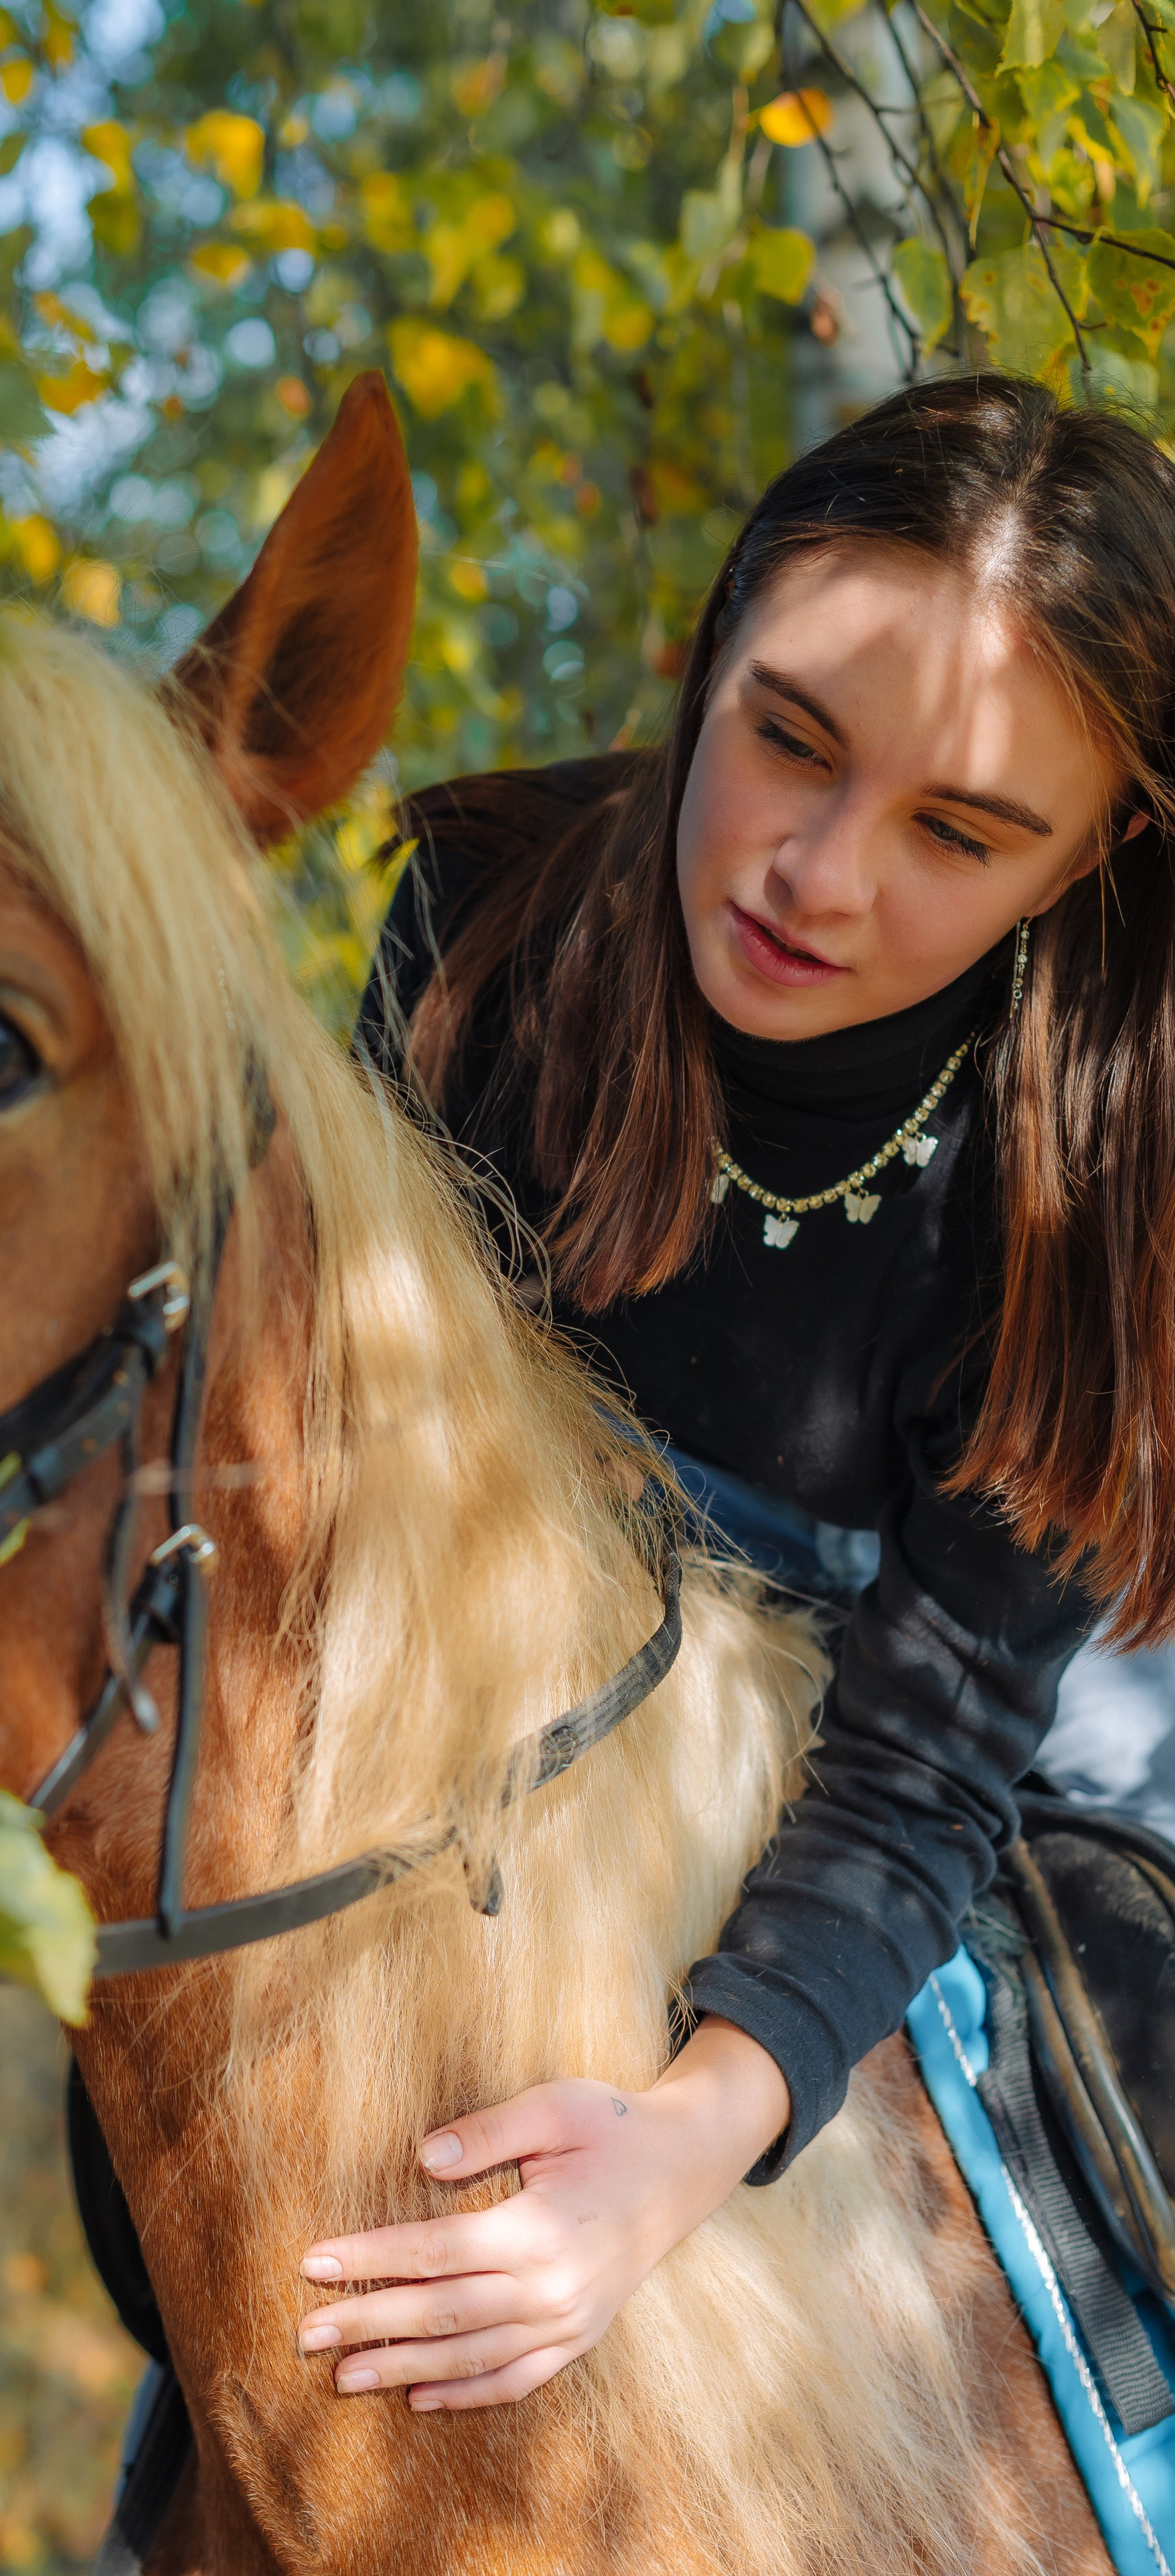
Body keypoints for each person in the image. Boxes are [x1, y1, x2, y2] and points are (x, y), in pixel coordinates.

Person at [289, 372, 1175, 2414]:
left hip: (995, 1749)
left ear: (1093, 852)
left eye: (962, 832)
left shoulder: (1103, 1193)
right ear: (717, 641)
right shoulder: (475, 933)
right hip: (541, 1726)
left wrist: (681, 2149)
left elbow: (928, 1767)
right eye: (789, 739)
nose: (820, 877)